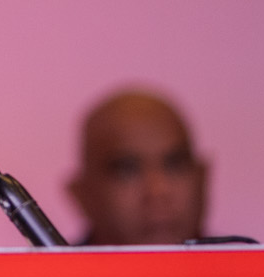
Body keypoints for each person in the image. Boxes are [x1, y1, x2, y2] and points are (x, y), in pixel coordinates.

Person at [67, 88, 208, 245]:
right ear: (82, 194)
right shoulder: (58, 270)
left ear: (202, 179)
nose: (158, 191)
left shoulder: (239, 267)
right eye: (127, 171)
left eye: (175, 165)